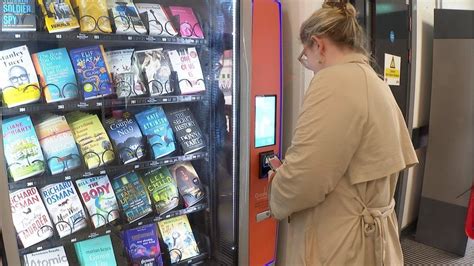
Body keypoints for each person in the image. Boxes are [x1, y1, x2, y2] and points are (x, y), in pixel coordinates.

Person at [268, 1, 418, 265]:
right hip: (371, 240)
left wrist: (276, 185)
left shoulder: (333, 81)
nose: (309, 64)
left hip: (341, 243)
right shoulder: (372, 79)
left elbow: (306, 179)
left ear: (319, 45)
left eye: (306, 56)